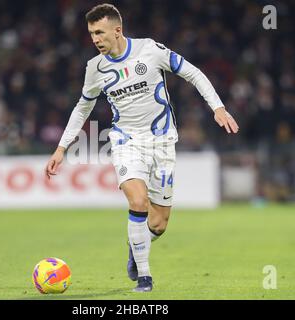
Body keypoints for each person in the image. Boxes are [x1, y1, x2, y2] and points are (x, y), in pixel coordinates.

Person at [45, 3, 239, 292]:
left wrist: (218, 107)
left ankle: (136, 246)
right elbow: (82, 107)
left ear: (117, 30)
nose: (95, 39)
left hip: (162, 142)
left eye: (100, 32)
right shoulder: (95, 68)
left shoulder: (150, 50)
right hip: (126, 141)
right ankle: (145, 276)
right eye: (91, 34)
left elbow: (193, 73)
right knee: (138, 201)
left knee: (158, 223)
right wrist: (62, 148)